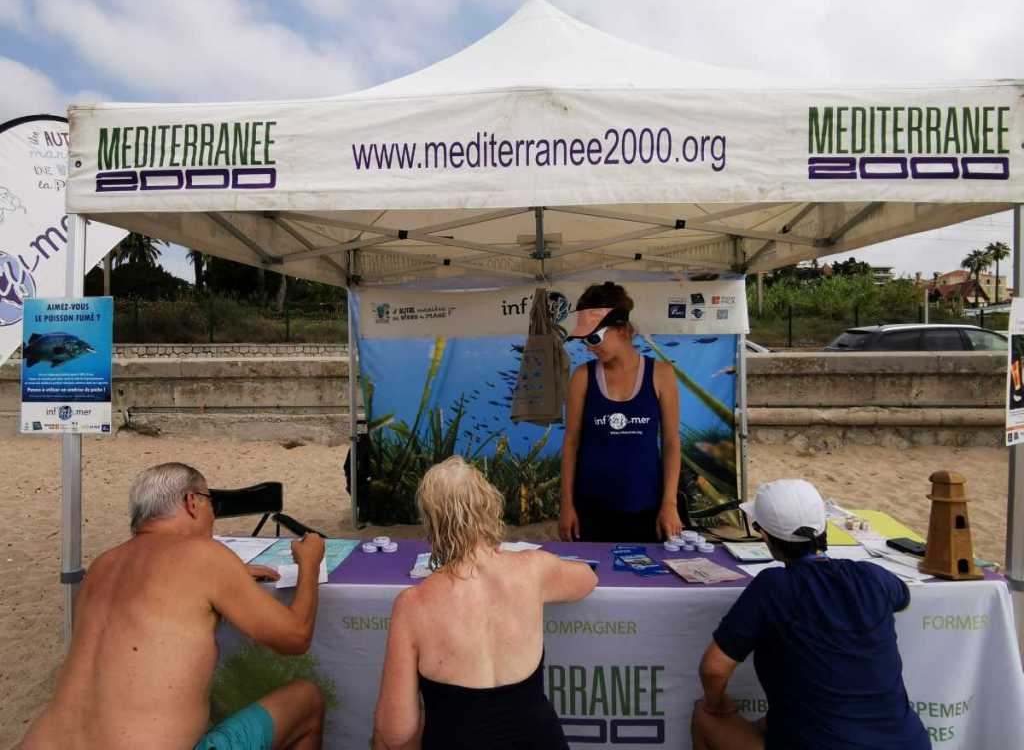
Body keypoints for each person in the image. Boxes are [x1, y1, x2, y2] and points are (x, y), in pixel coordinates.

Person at [20, 462, 326, 750]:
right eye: (211, 504)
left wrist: (230, 579)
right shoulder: (206, 555)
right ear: (193, 502)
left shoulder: (101, 565)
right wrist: (309, 565)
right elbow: (295, 637)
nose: (213, 516)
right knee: (307, 700)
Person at [372, 456, 598, 750]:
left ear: (432, 524)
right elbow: (588, 579)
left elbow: (397, 733)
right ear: (489, 508)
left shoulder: (412, 605)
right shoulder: (532, 569)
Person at [691, 479, 930, 750]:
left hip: (822, 742)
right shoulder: (871, 576)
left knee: (704, 716)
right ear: (825, 526)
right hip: (908, 743)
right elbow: (902, 597)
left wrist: (717, 704)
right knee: (771, 723)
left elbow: (713, 670)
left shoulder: (774, 586)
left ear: (766, 536)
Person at [559, 281, 683, 543]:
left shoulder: (661, 375)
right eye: (585, 340)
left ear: (622, 329)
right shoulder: (582, 377)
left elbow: (671, 442)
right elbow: (570, 442)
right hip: (590, 510)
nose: (590, 347)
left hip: (646, 508)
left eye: (595, 338)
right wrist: (567, 504)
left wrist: (669, 504)